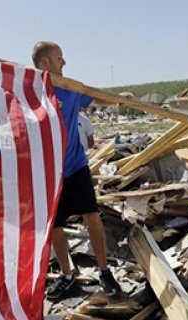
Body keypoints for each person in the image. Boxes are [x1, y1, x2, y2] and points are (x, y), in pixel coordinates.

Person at [32, 41, 121, 299]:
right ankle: (67, 275)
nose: (65, 62)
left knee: (92, 217)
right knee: (56, 226)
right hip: (50, 171)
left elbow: (96, 97)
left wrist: (118, 100)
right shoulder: (30, 90)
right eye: (59, 58)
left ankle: (104, 271)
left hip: (76, 165)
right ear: (45, 62)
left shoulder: (69, 89)